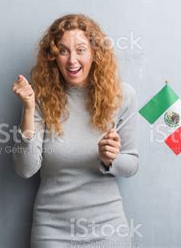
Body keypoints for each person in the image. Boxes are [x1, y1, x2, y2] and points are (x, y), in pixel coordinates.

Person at [11, 14, 139, 248]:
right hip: (52, 231)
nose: (72, 60)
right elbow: (25, 169)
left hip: (108, 229)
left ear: (94, 53)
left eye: (80, 50)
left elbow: (131, 164)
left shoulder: (122, 96)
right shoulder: (40, 97)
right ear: (52, 56)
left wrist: (110, 159)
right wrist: (28, 109)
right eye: (63, 50)